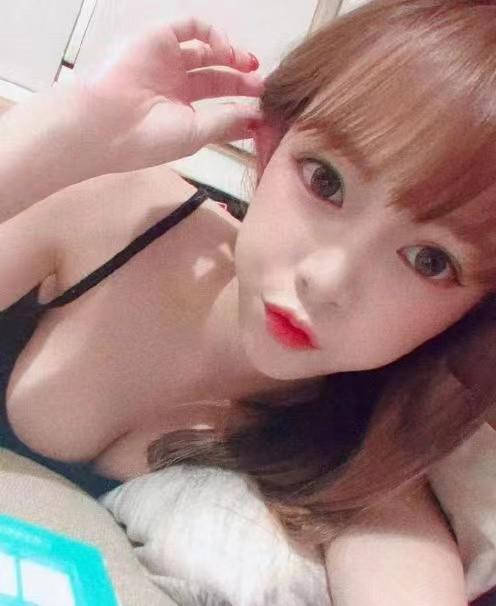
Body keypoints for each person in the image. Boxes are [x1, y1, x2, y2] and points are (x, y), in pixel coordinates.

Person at [0, 1, 495, 603]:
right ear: (269, 144)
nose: (326, 279)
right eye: (326, 181)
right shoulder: (110, 215)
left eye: (430, 260)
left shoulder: (366, 455)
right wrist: (64, 128)